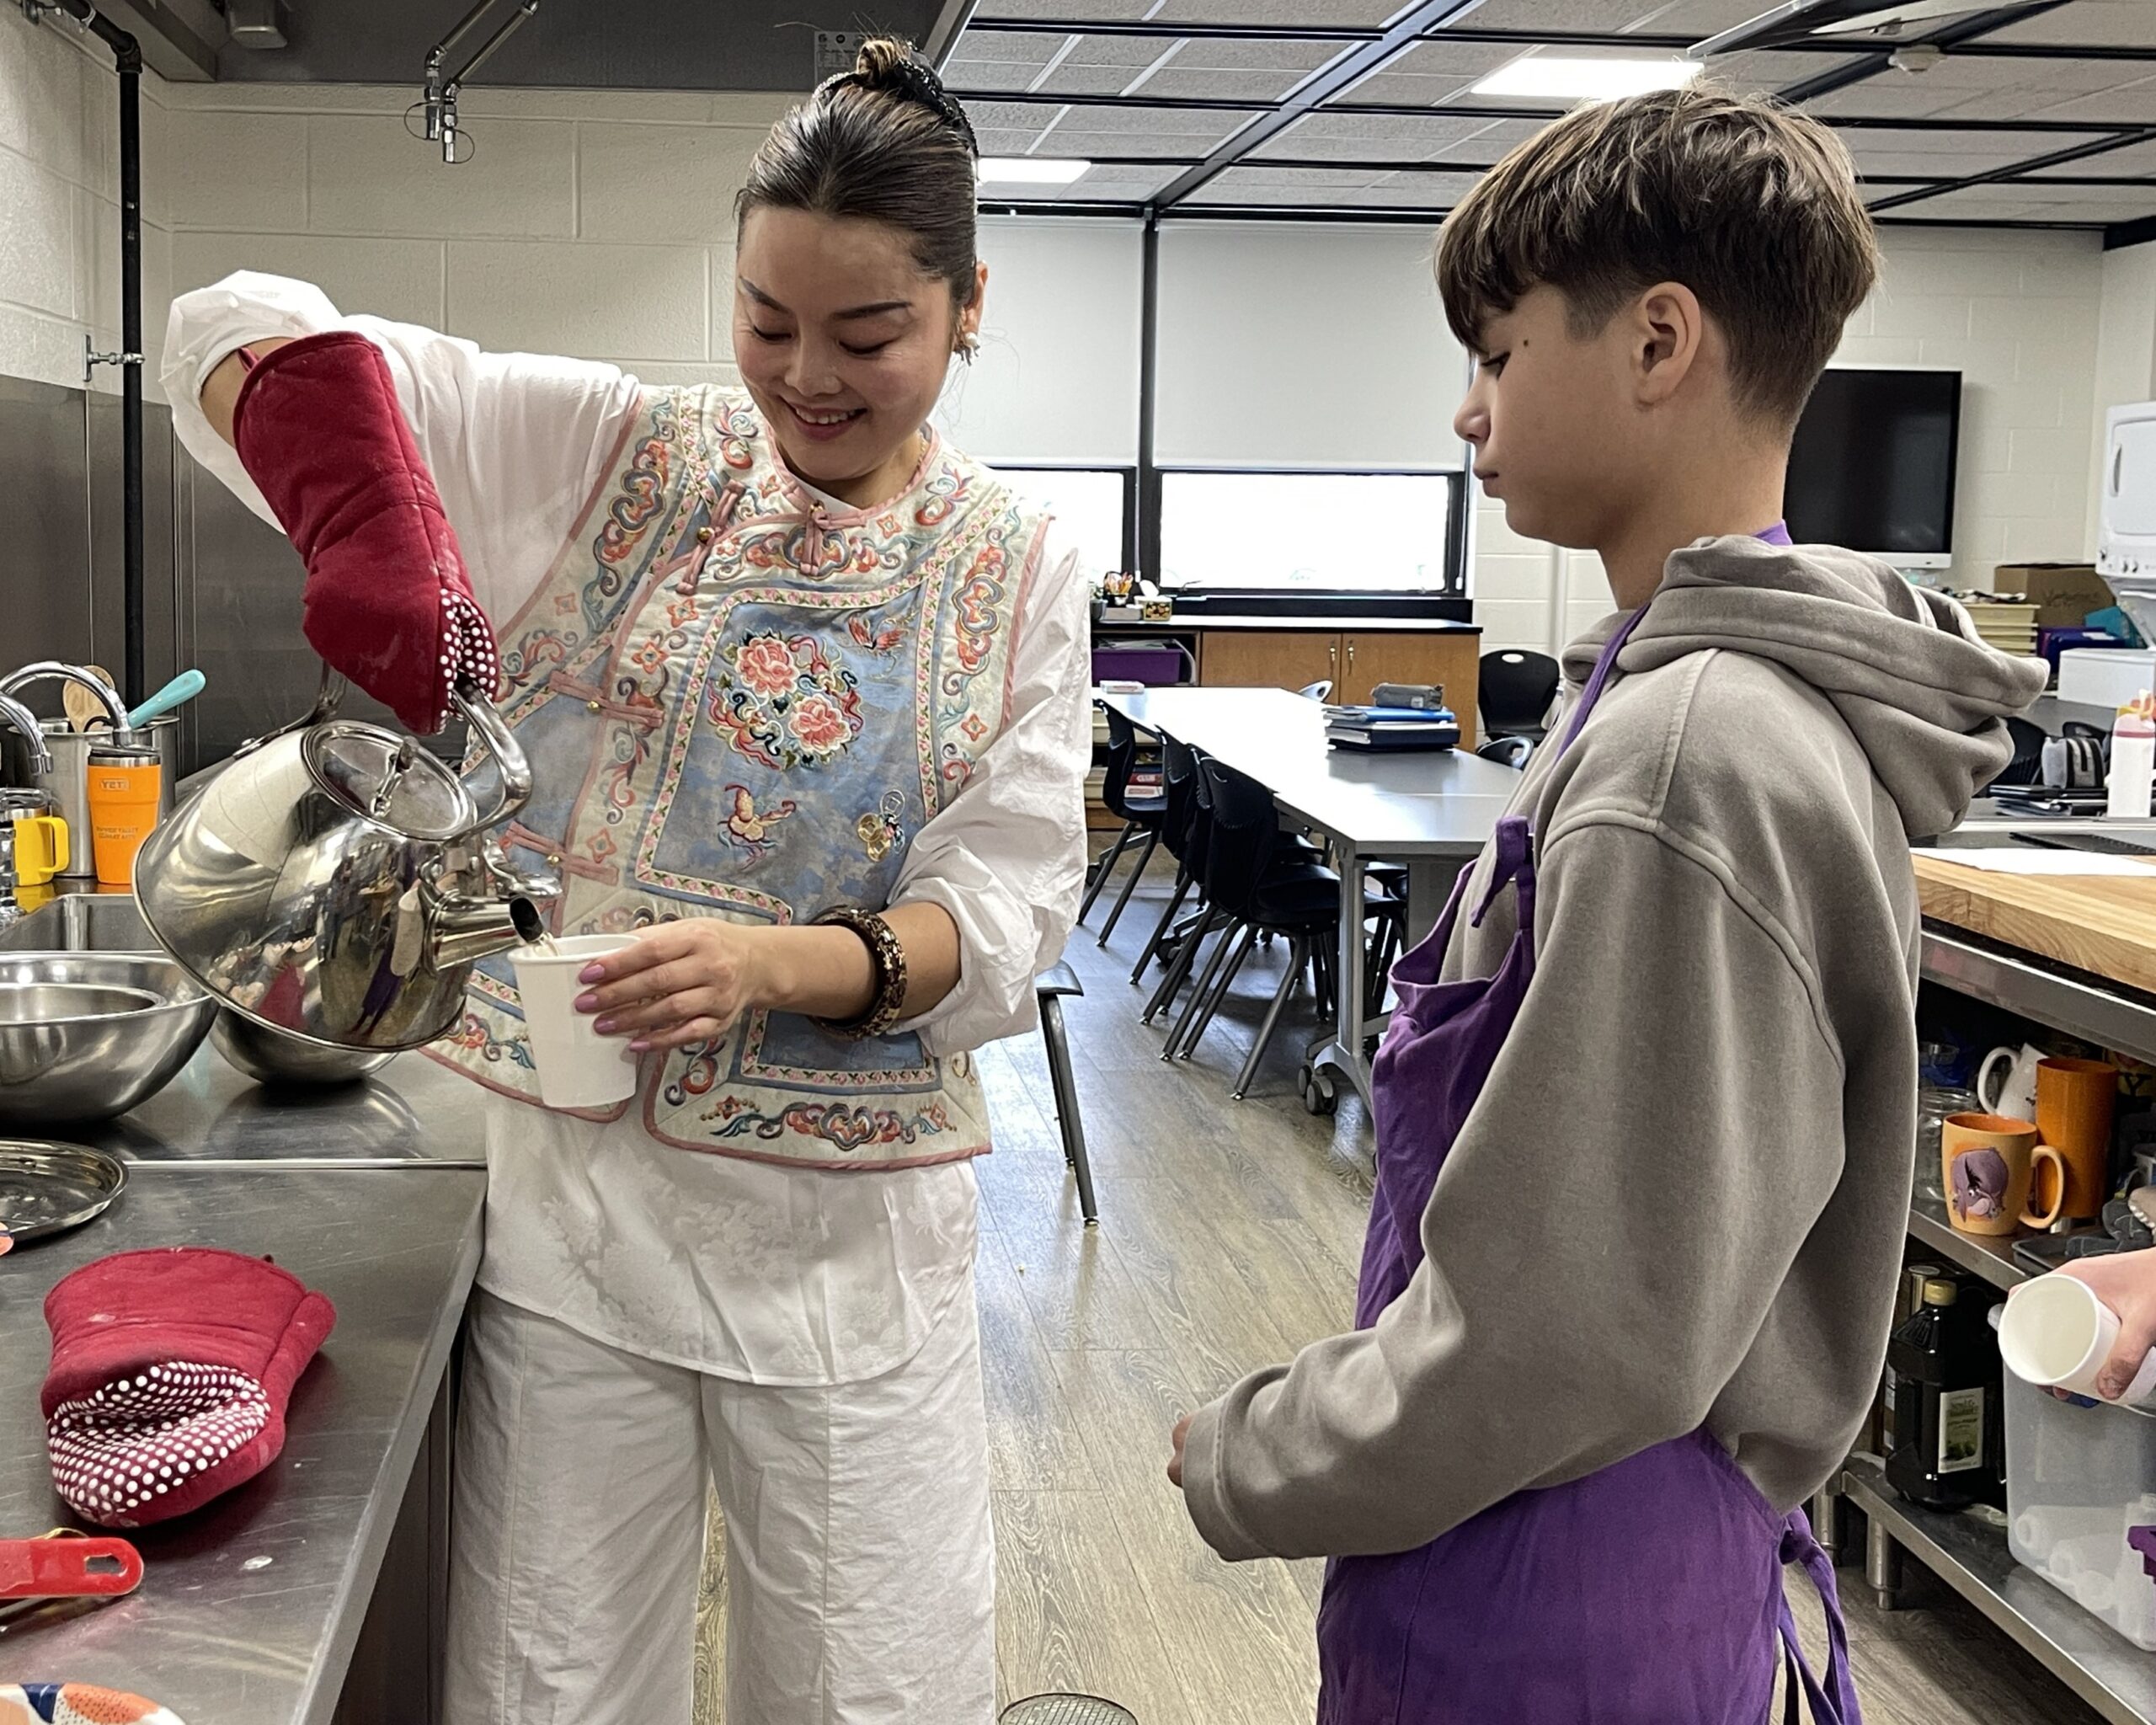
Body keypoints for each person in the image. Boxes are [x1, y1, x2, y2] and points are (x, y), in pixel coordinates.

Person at [163, 40, 1090, 1725]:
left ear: (967, 307)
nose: (806, 378)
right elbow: (232, 325)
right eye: (765, 321)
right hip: (585, 1235)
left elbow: (1011, 917)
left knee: (869, 1689)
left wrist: (770, 965)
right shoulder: (614, 455)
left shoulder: (1015, 568)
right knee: (549, 1687)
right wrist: (375, 528)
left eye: (868, 334)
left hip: (851, 1265)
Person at [1166, 86, 2047, 1722]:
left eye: (1495, 355)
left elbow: (1566, 1335)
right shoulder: (1653, 694)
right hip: (1589, 1538)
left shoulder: (1686, 752)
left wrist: (1255, 1451)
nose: (1466, 412)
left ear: (1656, 344)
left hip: (1556, 1578)